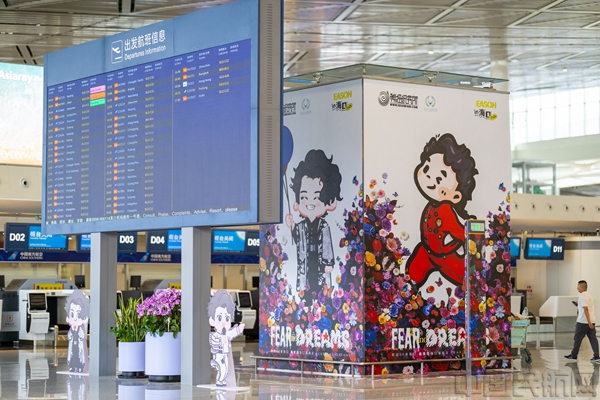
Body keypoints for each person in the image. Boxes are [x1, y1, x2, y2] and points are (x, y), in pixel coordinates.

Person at [405, 133, 478, 305]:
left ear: (455, 196)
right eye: (426, 168)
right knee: (413, 271)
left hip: (445, 257)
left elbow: (459, 232)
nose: (429, 179)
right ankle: (409, 294)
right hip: (427, 251)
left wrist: (471, 237)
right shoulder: (431, 205)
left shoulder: (445, 210)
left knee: (464, 279)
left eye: (439, 179)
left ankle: (473, 296)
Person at [285, 149, 342, 298]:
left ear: (329, 202)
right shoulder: (301, 226)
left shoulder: (324, 226)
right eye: (304, 197)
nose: (310, 203)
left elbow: (327, 244)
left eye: (316, 198)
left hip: (320, 263)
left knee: (321, 287)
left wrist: (328, 263)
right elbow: (297, 238)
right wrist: (291, 226)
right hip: (306, 263)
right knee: (306, 286)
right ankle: (306, 299)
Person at [207, 290, 245, 387]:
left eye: (227, 318)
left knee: (226, 368)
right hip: (219, 355)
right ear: (212, 320)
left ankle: (222, 380)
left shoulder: (226, 333)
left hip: (225, 355)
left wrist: (238, 329)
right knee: (223, 369)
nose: (223, 322)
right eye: (219, 318)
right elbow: (215, 342)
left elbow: (231, 333)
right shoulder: (216, 335)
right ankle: (220, 380)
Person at [565, 280, 600, 362]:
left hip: (583, 322)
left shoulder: (582, 296)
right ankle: (596, 356)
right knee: (593, 339)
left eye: (578, 286)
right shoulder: (589, 296)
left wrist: (588, 322)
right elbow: (587, 307)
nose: (577, 288)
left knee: (577, 338)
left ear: (582, 287)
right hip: (591, 320)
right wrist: (578, 305)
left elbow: (586, 309)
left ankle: (574, 355)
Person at [65, 289, 90, 373]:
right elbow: (69, 336)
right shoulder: (72, 329)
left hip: (79, 344)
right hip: (73, 345)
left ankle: (80, 367)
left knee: (79, 355)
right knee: (73, 355)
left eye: (78, 314)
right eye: (72, 314)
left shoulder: (81, 328)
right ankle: (72, 366)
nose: (75, 318)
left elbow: (82, 336)